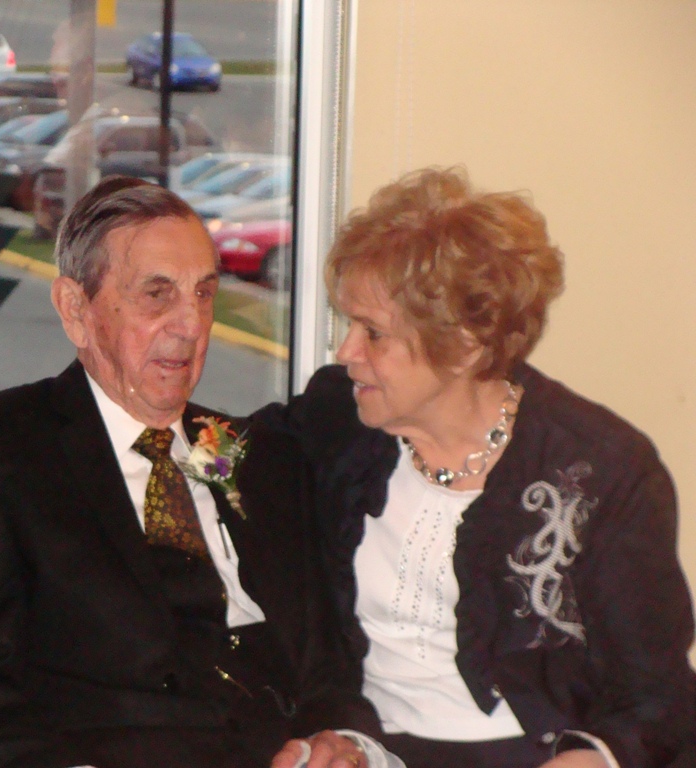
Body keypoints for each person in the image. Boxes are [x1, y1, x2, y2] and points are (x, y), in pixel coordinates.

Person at [0, 176, 377, 768]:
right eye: (158, 295)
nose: (191, 325)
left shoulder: (248, 452)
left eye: (204, 294)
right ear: (75, 310)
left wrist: (350, 744)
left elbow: (329, 663)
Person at [267, 166, 696, 768]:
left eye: (373, 333)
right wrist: (342, 738)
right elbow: (218, 459)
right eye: (348, 324)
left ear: (465, 345)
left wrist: (599, 759)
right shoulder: (335, 422)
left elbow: (657, 697)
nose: (346, 352)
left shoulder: (602, 471)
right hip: (368, 750)